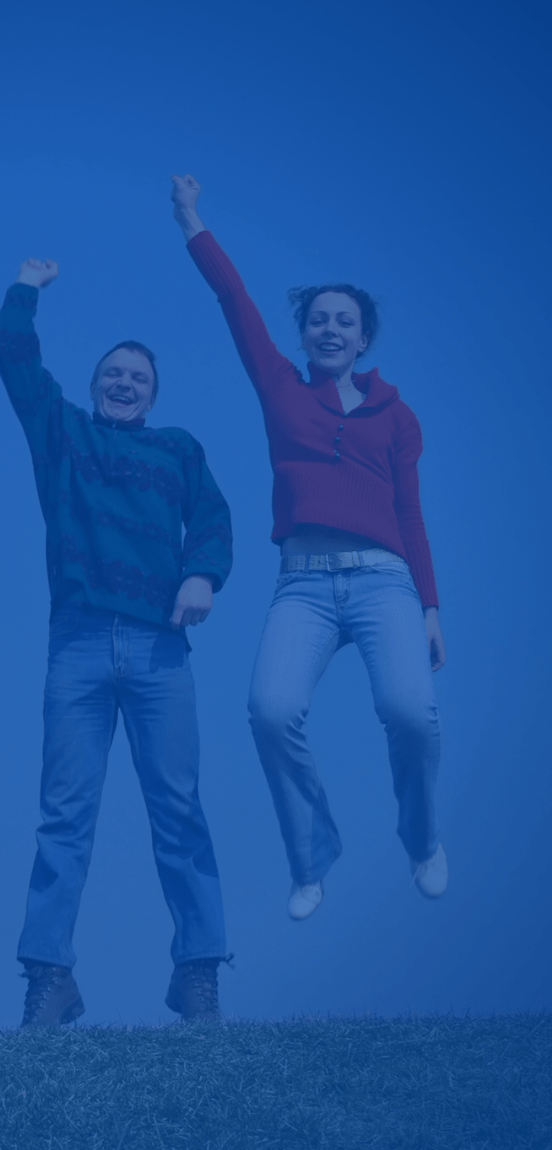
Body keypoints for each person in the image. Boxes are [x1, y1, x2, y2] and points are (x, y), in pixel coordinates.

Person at [170, 173, 446, 921]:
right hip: (303, 585)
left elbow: (410, 513)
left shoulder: (397, 418)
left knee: (411, 713)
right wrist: (191, 219)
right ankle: (311, 858)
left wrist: (428, 607)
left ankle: (422, 840)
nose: (329, 329)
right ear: (303, 335)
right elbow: (234, 300)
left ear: (362, 338)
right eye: (317, 320)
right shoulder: (282, 390)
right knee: (270, 710)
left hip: (384, 581)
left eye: (343, 321)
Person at [0, 258, 234, 1026]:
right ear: (93, 384)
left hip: (161, 651)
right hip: (79, 644)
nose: (123, 383)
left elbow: (214, 521)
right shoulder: (61, 434)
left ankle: (198, 972)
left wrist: (201, 575)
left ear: (152, 396)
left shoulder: (177, 449)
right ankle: (48, 977)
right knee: (63, 814)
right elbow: (13, 359)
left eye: (137, 378)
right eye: (112, 374)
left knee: (179, 811)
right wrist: (25, 288)